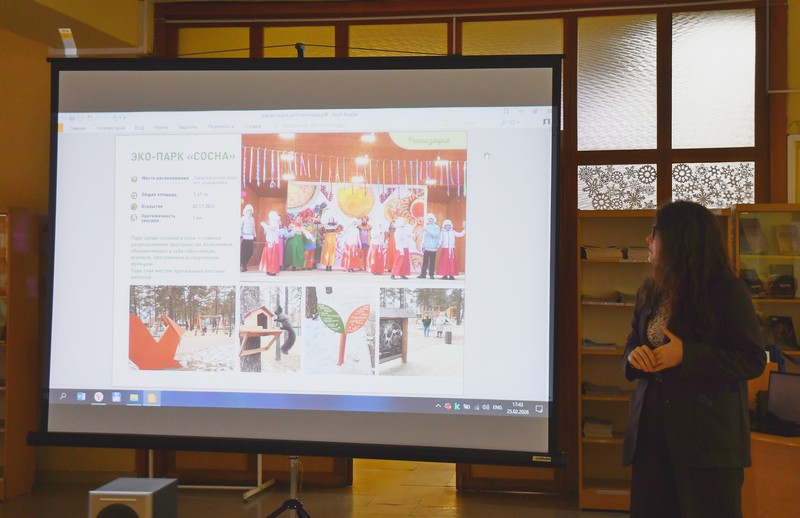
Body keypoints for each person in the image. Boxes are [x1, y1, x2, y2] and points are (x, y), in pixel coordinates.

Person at [621, 200, 765, 518]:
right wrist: (633, 357)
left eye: (655, 233)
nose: (648, 239)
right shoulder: (651, 289)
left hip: (707, 441)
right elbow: (632, 342)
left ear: (678, 239)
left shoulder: (726, 291)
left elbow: (753, 359)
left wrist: (688, 355)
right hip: (652, 435)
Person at [258, 211, 281, 276]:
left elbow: (268, 228)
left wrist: (263, 224)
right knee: (268, 256)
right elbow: (267, 231)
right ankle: (268, 269)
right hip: (269, 241)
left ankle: (273, 271)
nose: (270, 217)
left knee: (272, 257)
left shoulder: (275, 224)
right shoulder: (271, 223)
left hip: (273, 242)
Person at [418, 213, 440, 279]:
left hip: (433, 247)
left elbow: (436, 235)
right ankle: (423, 274)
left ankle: (431, 275)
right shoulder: (427, 226)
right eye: (428, 219)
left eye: (431, 218)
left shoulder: (436, 227)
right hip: (426, 247)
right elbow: (424, 237)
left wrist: (428, 230)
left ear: (433, 219)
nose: (429, 220)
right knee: (425, 262)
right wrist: (423, 246)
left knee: (432, 262)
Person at [239, 204, 256, 272]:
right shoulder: (242, 218)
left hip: (251, 238)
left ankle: (245, 264)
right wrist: (240, 235)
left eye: (251, 210)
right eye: (249, 210)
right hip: (244, 238)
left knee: (250, 252)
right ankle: (243, 265)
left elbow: (253, 228)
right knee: (244, 253)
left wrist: (255, 236)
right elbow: (239, 228)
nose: (250, 212)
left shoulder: (252, 219)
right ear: (246, 211)